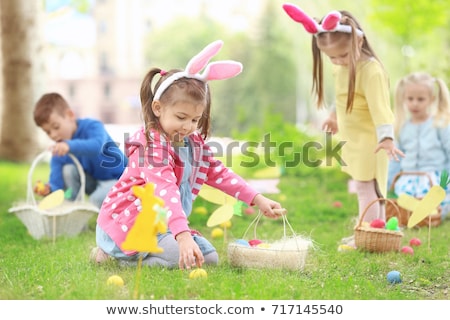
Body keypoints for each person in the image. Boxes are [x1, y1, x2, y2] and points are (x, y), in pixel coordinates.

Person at [92, 40, 283, 269]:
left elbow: (219, 173)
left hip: (164, 223)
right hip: (129, 223)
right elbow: (165, 190)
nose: (188, 127)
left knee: (209, 259)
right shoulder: (151, 147)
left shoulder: (192, 144)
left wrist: (257, 199)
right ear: (158, 108)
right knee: (182, 260)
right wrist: (182, 237)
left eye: (195, 120)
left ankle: (161, 247)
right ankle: (113, 256)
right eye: (181, 118)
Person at [282, 4, 404, 244]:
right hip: (355, 140)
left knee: (367, 188)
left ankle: (367, 233)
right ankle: (372, 233)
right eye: (331, 57)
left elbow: (381, 108)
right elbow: (342, 97)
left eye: (342, 55)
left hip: (372, 140)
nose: (337, 61)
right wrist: (334, 116)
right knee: (368, 188)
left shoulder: (371, 70)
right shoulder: (343, 67)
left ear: (358, 42)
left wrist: (386, 137)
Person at [33, 92, 127, 208]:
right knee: (68, 170)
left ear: (70, 115)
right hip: (94, 183)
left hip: (120, 179)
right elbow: (57, 184)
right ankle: (73, 210)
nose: (53, 135)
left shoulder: (92, 126)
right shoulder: (59, 151)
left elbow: (97, 146)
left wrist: (69, 146)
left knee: (95, 200)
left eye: (56, 127)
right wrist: (49, 189)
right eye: (47, 132)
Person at [388, 72, 450, 220]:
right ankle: (417, 213)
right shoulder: (401, 127)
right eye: (410, 99)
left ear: (431, 100)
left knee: (434, 197)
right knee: (403, 200)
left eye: (420, 99)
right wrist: (389, 183)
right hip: (408, 179)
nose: (415, 103)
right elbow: (396, 158)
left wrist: (446, 180)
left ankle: (435, 212)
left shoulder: (439, 124)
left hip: (434, 179)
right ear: (404, 98)